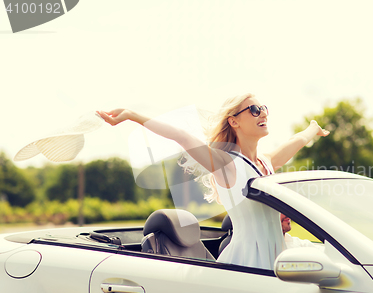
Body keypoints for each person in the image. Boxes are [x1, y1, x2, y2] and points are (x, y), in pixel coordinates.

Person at [97, 93, 329, 269]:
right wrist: (131, 115)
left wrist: (312, 129)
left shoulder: (267, 162)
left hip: (279, 254)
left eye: (264, 108)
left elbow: (298, 140)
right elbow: (181, 136)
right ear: (234, 122)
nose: (263, 113)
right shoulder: (225, 163)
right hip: (248, 263)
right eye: (255, 110)